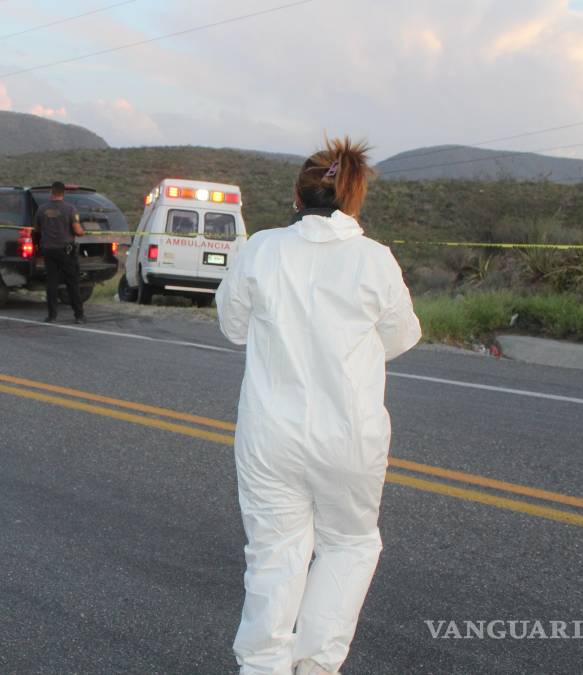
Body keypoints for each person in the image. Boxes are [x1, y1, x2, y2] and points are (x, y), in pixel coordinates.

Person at [216, 136, 421, 675]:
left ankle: (262, 666)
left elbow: (233, 327)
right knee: (349, 544)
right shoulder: (375, 260)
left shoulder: (260, 249)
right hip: (349, 436)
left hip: (271, 435)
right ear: (353, 197)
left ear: (297, 195)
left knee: (274, 554)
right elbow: (401, 338)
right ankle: (315, 664)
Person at [35, 181, 87, 324]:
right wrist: (82, 231)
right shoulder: (70, 209)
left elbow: (37, 229)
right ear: (64, 193)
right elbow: (77, 231)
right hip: (66, 251)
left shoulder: (41, 209)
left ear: (51, 192)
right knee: (72, 283)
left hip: (48, 250)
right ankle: (79, 315)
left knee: (52, 283)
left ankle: (51, 316)